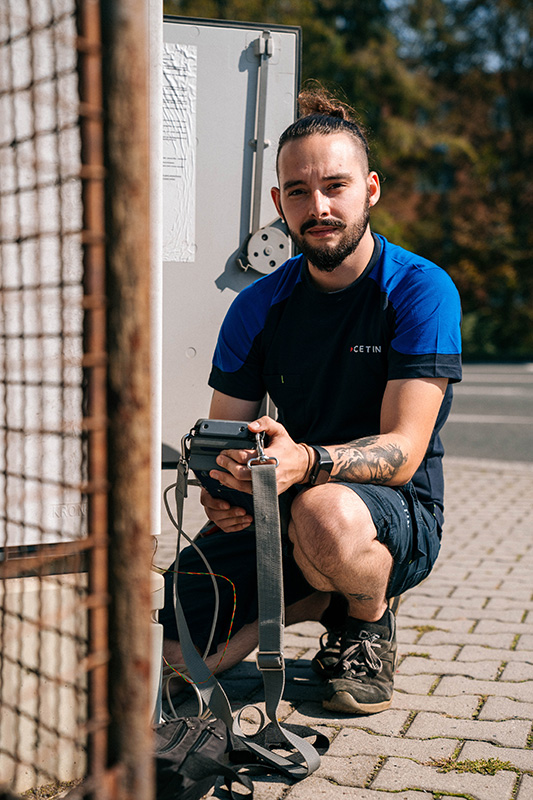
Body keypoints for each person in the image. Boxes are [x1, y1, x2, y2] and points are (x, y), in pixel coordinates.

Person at [161, 88, 462, 715]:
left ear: (370, 190)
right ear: (279, 203)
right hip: (279, 504)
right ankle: (316, 595)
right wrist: (223, 489)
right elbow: (226, 433)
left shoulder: (420, 290)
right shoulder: (257, 305)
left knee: (325, 515)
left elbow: (403, 451)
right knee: (172, 658)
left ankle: (367, 619)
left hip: (390, 510)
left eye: (335, 186)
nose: (318, 207)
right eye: (298, 191)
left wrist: (306, 461)